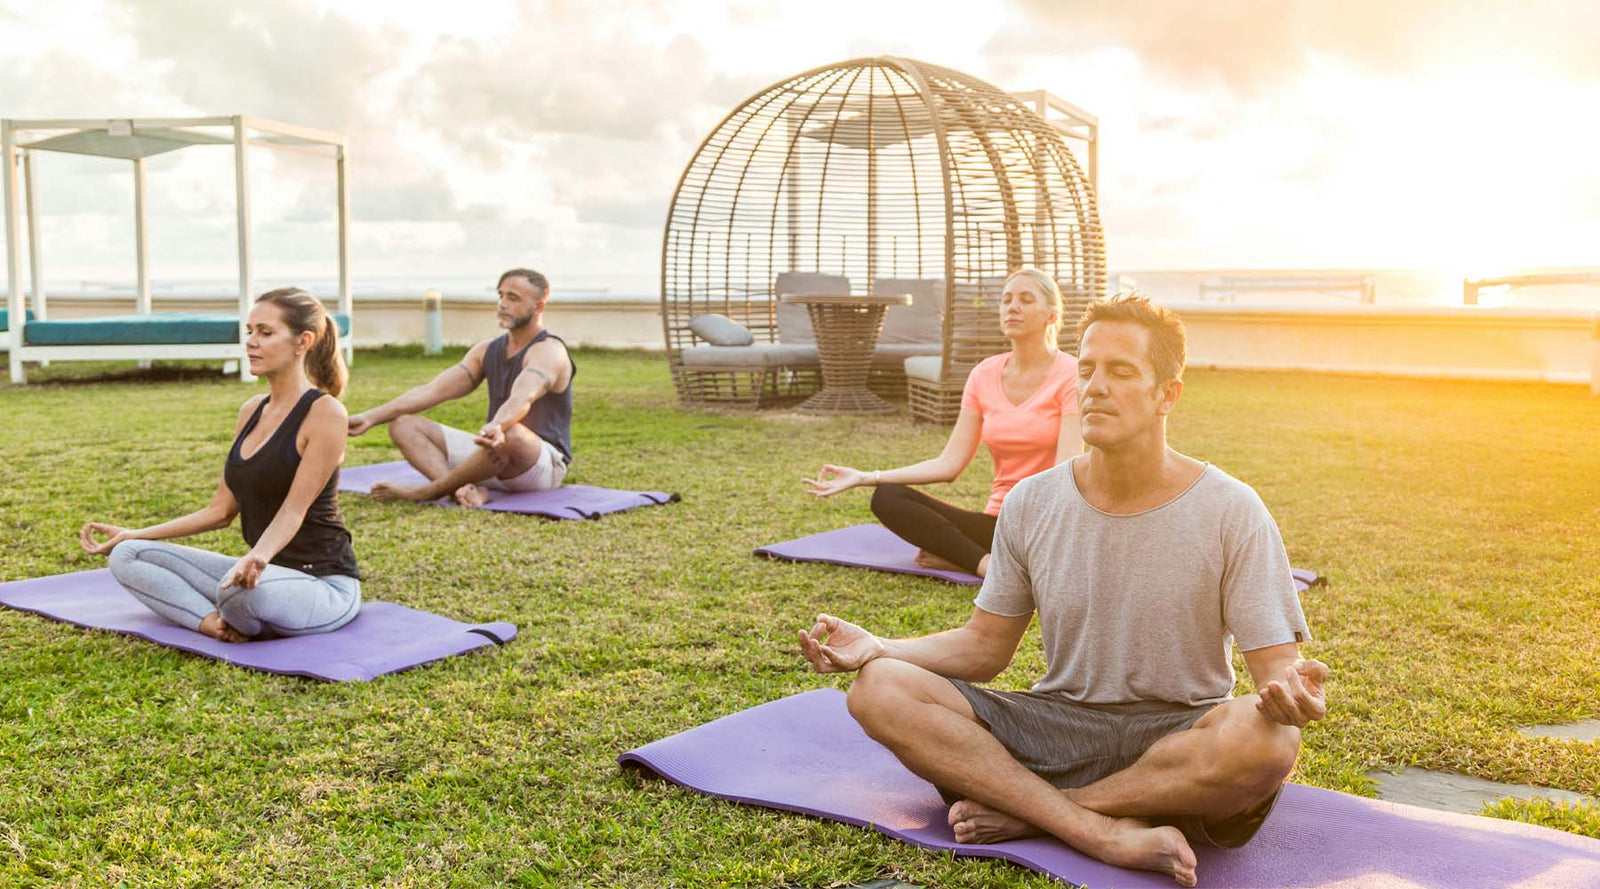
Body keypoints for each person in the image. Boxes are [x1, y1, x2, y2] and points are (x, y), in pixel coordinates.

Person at [797, 294, 1327, 888]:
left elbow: (1277, 672)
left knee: (1269, 741)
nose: (1095, 387)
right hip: (1054, 725)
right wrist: (881, 647)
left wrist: (1292, 696)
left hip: (1177, 737)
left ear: (1167, 395)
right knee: (880, 688)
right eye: (1086, 369)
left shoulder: (1232, 509)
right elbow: (983, 648)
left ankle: (1034, 812)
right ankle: (1093, 829)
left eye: (1121, 371)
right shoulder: (1032, 501)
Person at [79, 288, 361, 642]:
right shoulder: (251, 410)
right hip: (262, 573)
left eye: (266, 332)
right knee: (128, 555)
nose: (251, 343)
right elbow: (220, 511)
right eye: (250, 331)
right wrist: (135, 533)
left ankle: (237, 609)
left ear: (302, 341)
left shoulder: (325, 412)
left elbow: (293, 511)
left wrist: (257, 556)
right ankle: (212, 623)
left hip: (322, 583)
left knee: (237, 592)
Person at [803, 268, 1082, 577]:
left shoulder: (1071, 376)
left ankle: (965, 557)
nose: (1012, 307)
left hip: (1047, 524)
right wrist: (865, 476)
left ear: (1051, 316)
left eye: (1026, 300)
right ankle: (987, 566)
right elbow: (949, 464)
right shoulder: (983, 374)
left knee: (1041, 537)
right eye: (1006, 300)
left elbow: (1063, 478)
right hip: (997, 524)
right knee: (888, 495)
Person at [347, 268, 575, 506]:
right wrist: (369, 418)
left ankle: (428, 492)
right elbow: (432, 391)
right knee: (404, 425)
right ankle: (462, 490)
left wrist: (498, 425)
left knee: (513, 433)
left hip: (539, 465)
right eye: (501, 295)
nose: (502, 304)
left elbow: (523, 395)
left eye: (513, 298)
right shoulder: (486, 350)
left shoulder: (550, 351)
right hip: (493, 455)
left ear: (539, 306)